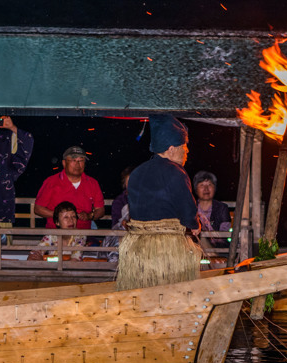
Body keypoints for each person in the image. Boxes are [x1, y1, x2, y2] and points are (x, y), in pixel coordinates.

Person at [118, 115, 201, 290]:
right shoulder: (176, 172)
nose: (187, 152)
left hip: (138, 250)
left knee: (140, 294)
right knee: (172, 293)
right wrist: (194, 225)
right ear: (171, 149)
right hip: (168, 252)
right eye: (184, 147)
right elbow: (188, 211)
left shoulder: (137, 173)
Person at [33, 146, 105, 229]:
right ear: (64, 163)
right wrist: (61, 215)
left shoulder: (92, 183)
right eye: (73, 160)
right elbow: (38, 209)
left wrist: (89, 216)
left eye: (81, 161)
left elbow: (100, 210)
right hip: (56, 234)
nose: (77, 164)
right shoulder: (51, 182)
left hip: (84, 234)